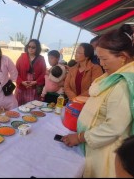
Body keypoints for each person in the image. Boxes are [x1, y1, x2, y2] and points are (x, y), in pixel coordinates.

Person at [61, 24, 134, 177]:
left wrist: (80, 137)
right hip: (94, 145)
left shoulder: (123, 84)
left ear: (122, 57)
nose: (101, 63)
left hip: (105, 153)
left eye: (104, 58)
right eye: (99, 58)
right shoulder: (113, 74)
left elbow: (113, 128)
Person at [15, 39, 46, 105]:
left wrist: (35, 82)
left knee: (32, 107)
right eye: (29, 46)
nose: (30, 49)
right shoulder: (22, 57)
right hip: (22, 87)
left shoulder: (41, 59)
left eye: (33, 47)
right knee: (19, 106)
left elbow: (43, 73)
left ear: (37, 48)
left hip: (34, 88)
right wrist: (22, 82)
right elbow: (15, 72)